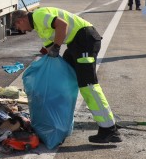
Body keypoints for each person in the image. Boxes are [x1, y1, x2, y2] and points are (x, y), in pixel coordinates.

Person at [11, 7, 121, 143]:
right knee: (65, 77)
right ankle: (61, 122)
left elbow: (62, 25)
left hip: (85, 39)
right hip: (75, 44)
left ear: (21, 20)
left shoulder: (39, 15)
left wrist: (57, 47)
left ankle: (109, 129)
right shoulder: (39, 29)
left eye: (18, 26)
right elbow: (50, 50)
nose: (22, 31)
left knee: (88, 86)